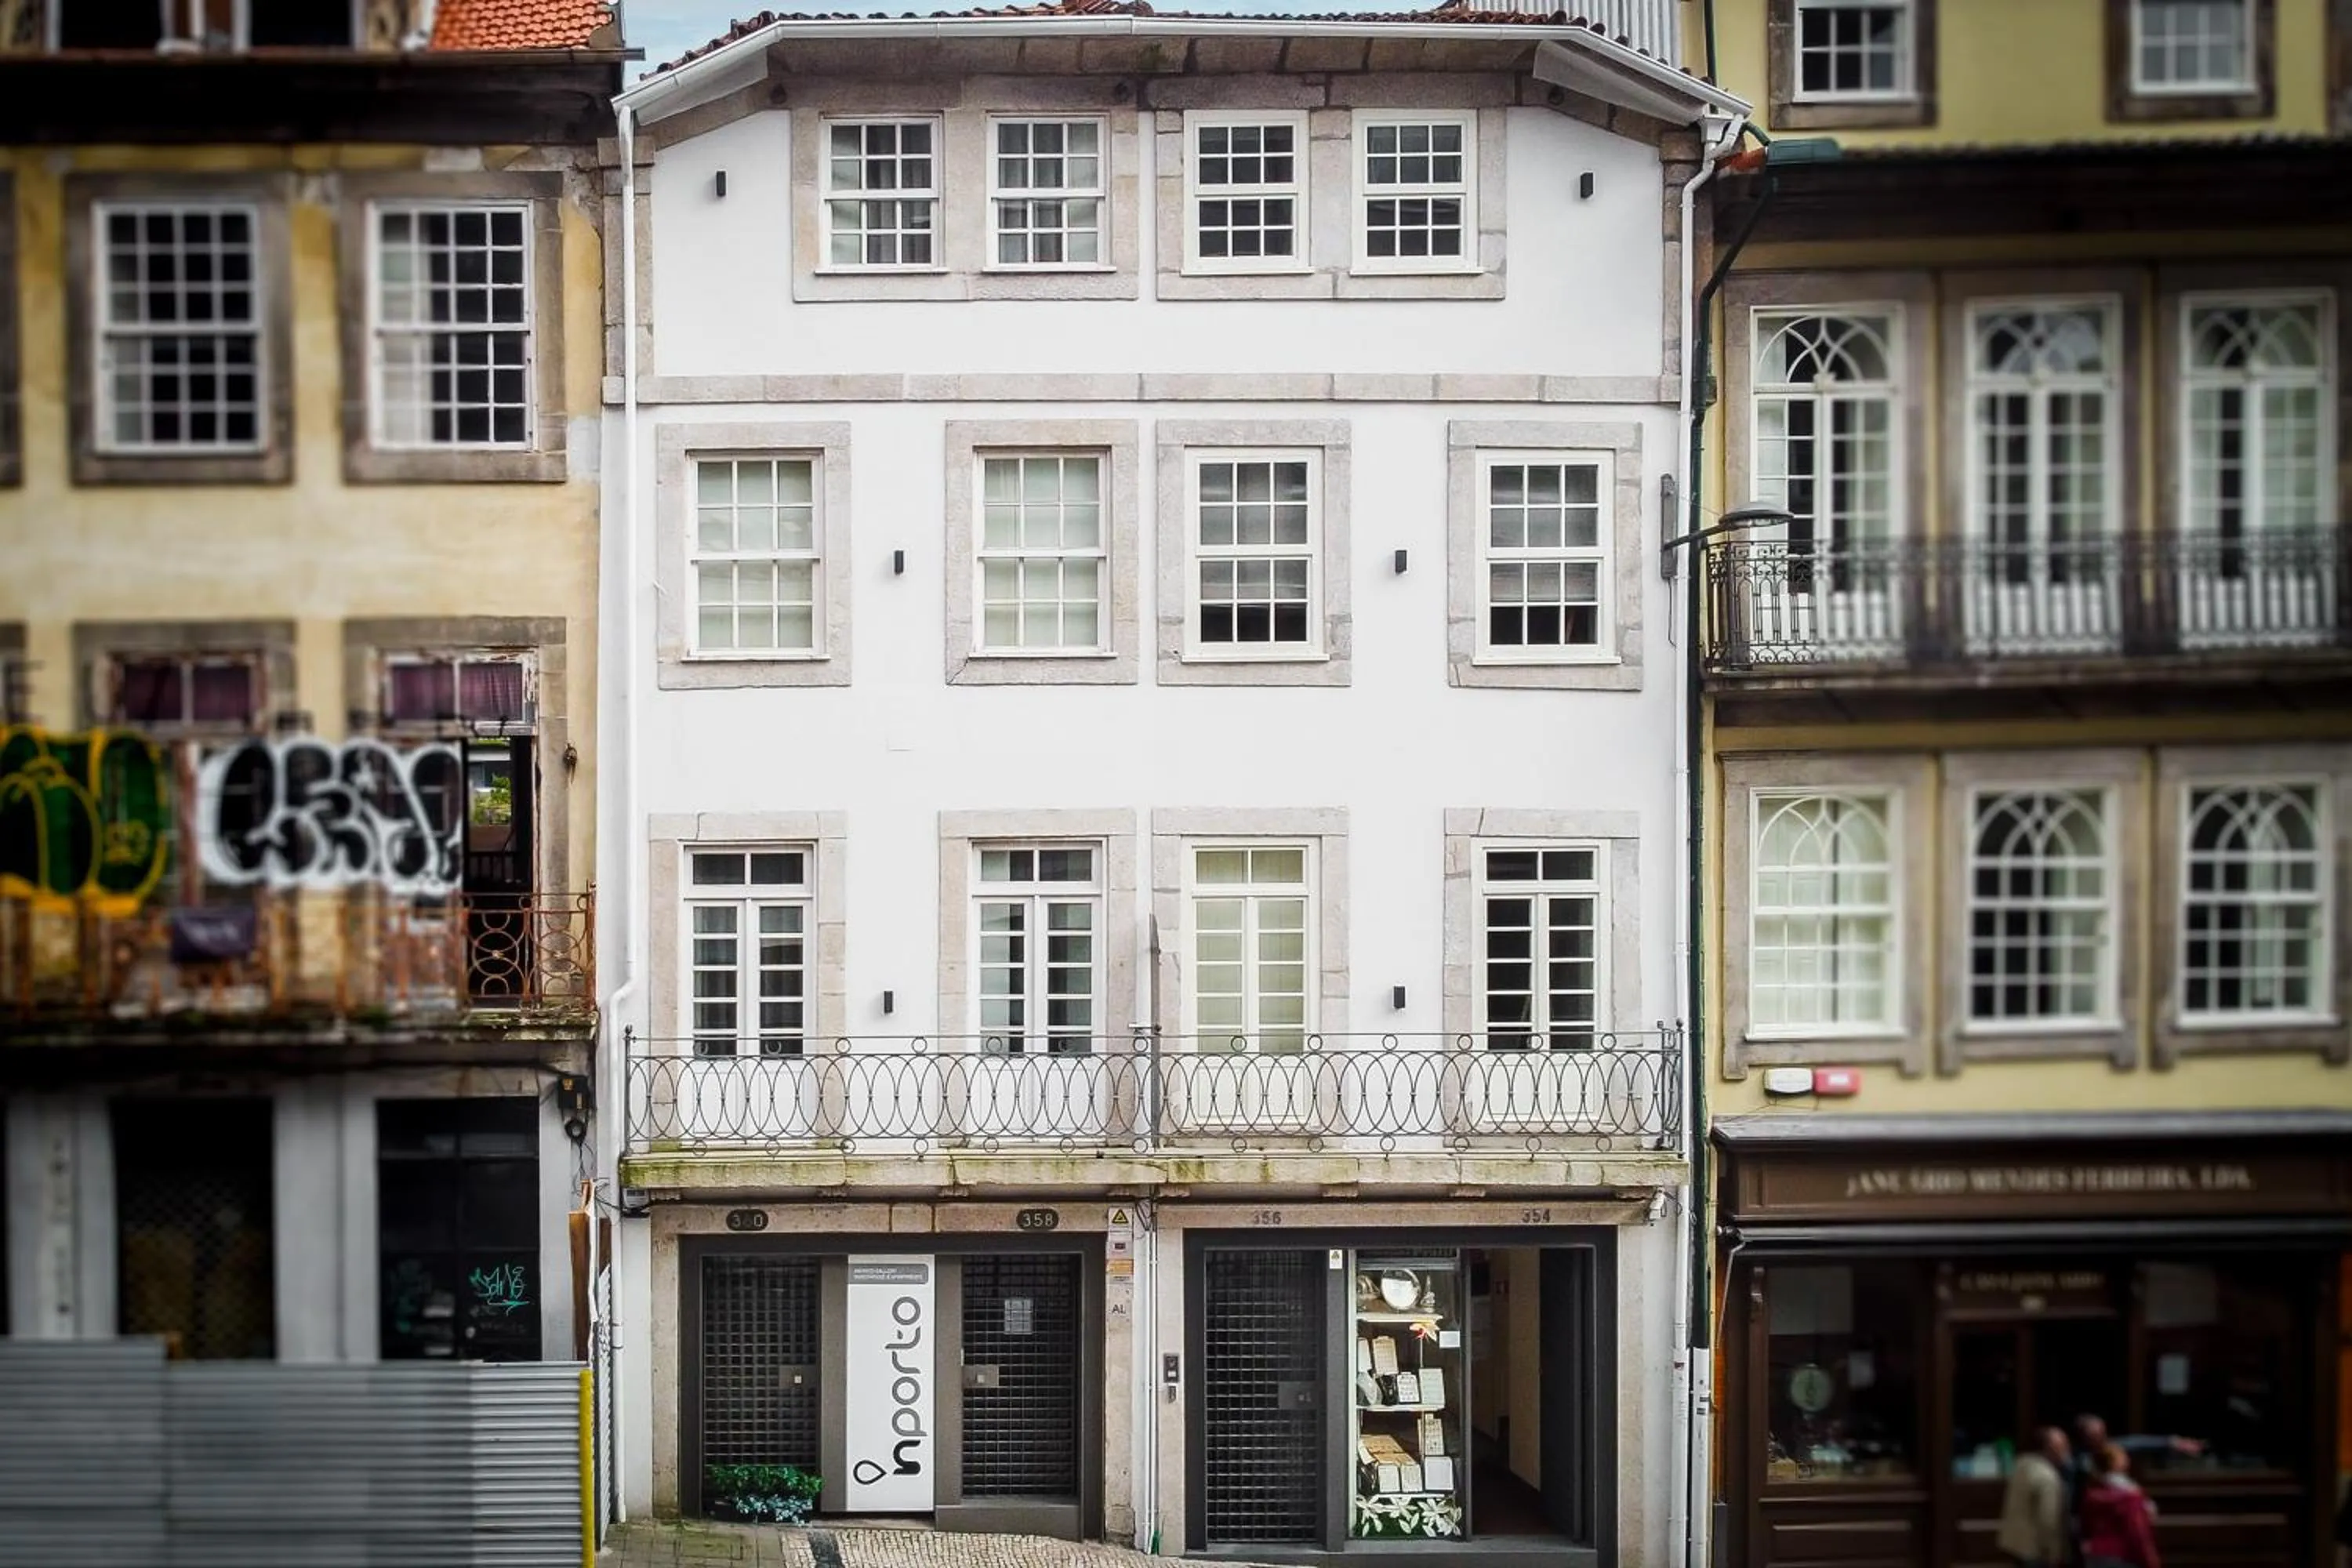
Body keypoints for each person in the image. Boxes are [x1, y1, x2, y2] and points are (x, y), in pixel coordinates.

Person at [1996, 1425, 2073, 1568]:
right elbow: (2048, 1522)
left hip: (2016, 1544)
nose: (2067, 1449)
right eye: (2063, 1445)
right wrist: (2054, 1555)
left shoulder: (2022, 1465)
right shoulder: (2047, 1478)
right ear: (2051, 1448)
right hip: (2035, 1550)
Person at [2078, 1443, 2161, 1568]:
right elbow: (2137, 1531)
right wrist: (2150, 1559)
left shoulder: (2091, 1493)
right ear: (2114, 1462)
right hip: (2124, 1554)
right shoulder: (2130, 1496)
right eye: (2122, 1456)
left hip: (2095, 1553)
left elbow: (2086, 1525)